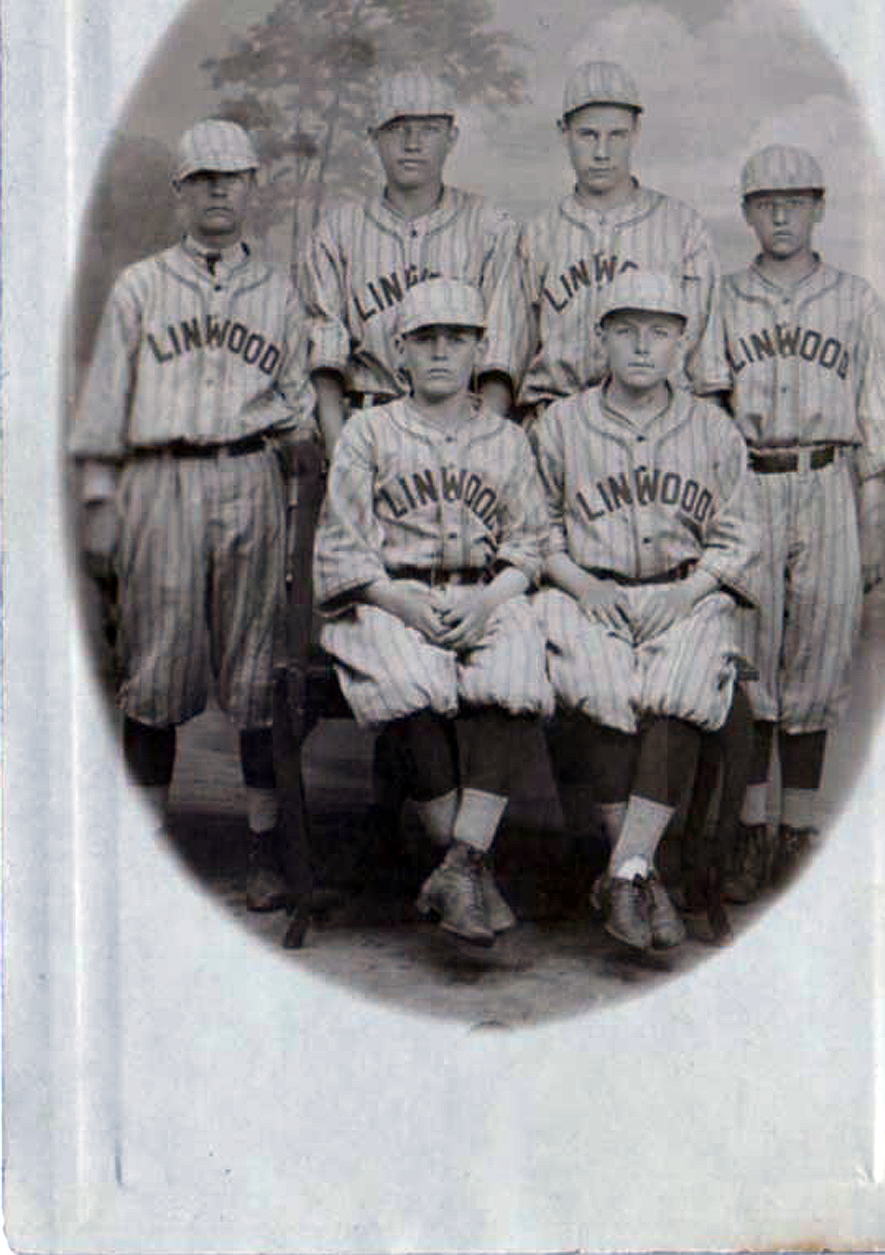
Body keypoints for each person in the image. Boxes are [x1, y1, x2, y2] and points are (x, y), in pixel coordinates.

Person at [69, 119, 316, 909]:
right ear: (181, 191)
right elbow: (105, 403)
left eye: (231, 177)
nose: (218, 190)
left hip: (248, 474)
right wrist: (102, 502)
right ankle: (146, 854)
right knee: (155, 672)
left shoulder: (276, 291)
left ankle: (263, 849)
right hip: (162, 481)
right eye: (203, 178)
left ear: (252, 188)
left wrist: (297, 450)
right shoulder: (140, 286)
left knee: (256, 677)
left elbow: (296, 405)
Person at [312, 278, 553, 946]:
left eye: (457, 338)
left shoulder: (505, 439)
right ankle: (471, 868)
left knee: (517, 672)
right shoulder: (368, 432)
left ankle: (458, 866)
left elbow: (529, 547)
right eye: (426, 340)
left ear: (480, 349)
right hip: (388, 595)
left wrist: (490, 598)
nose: (442, 352)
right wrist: (398, 600)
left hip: (482, 592)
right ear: (401, 352)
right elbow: (342, 549)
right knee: (410, 684)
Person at [531, 272, 760, 951]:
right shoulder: (561, 423)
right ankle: (636, 873)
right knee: (602, 685)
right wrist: (577, 583)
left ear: (682, 342)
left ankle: (625, 873)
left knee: (680, 687)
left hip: (683, 592)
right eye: (625, 330)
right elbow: (532, 525)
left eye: (659, 332)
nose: (641, 347)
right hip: (585, 590)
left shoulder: (713, 429)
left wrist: (688, 594)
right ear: (600, 337)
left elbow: (740, 534)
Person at [720, 145, 885, 895]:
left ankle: (797, 832)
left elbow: (878, 423)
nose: (780, 214)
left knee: (819, 660)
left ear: (819, 207)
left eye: (794, 201)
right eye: (766, 202)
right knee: (749, 659)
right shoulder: (725, 298)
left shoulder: (856, 299)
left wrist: (867, 529)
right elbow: (706, 411)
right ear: (747, 214)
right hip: (749, 482)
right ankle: (748, 834)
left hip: (829, 480)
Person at [299, 67, 521, 459]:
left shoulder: (492, 228)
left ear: (452, 137)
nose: (412, 143)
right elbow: (324, 362)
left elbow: (498, 360)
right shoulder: (336, 233)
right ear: (374, 137)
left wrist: (479, 451)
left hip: (464, 429)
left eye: (428, 129)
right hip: (366, 427)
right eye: (397, 128)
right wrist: (341, 453)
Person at [494, 60, 729, 420]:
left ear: (636, 131)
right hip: (555, 418)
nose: (602, 152)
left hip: (657, 425)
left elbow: (707, 371)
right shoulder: (538, 234)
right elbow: (503, 360)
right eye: (588, 135)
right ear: (563, 132)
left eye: (616, 135)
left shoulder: (682, 228)